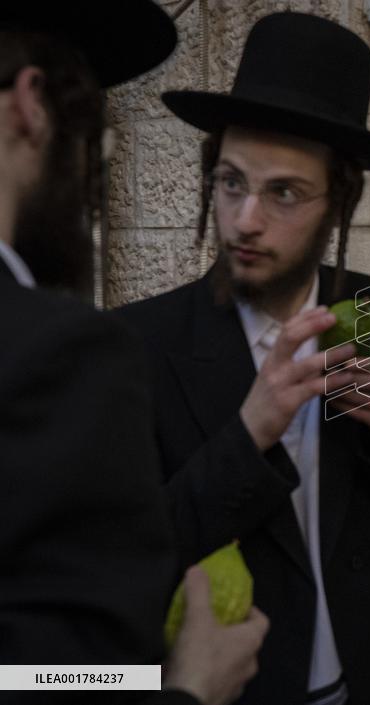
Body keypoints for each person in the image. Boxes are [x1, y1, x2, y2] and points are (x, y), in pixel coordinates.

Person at [117, 13, 370, 705]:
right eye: (231, 181)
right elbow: (128, 562)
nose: (245, 219)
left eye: (283, 192)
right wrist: (250, 434)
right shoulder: (137, 344)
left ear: (338, 202)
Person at [0, 4, 267, 705]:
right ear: (30, 104)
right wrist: (186, 683)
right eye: (97, 134)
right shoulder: (71, 351)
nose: (250, 219)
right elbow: (50, 678)